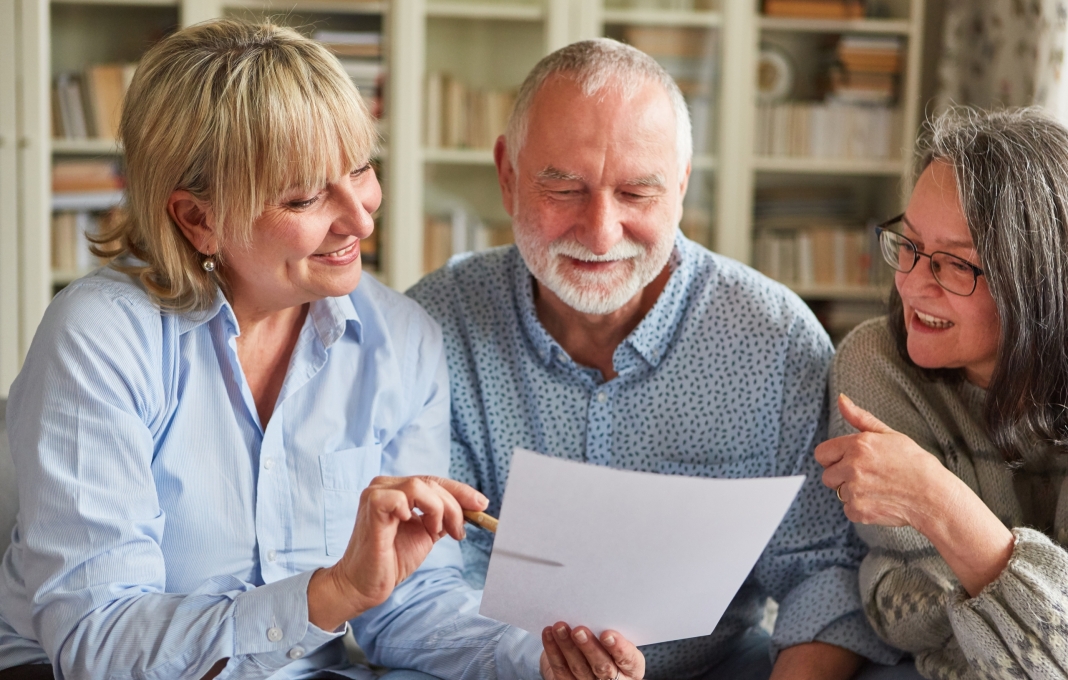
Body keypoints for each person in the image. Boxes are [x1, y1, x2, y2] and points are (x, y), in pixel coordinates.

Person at [0, 21, 638, 680]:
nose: (361, 219)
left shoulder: (400, 339)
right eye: (304, 196)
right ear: (198, 219)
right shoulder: (101, 336)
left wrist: (544, 662)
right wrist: (329, 595)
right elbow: (97, 641)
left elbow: (408, 608)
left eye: (360, 169)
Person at [408, 38, 907, 680]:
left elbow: (821, 571)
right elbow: (417, 585)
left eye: (637, 195)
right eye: (563, 188)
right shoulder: (433, 327)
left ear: (681, 183)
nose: (601, 232)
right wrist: (530, 664)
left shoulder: (774, 339)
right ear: (507, 174)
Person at [815, 107, 1068, 679]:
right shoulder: (876, 365)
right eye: (909, 245)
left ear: (1040, 279)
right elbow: (892, 609)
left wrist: (937, 501)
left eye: (956, 264)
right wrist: (1034, 593)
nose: (910, 282)